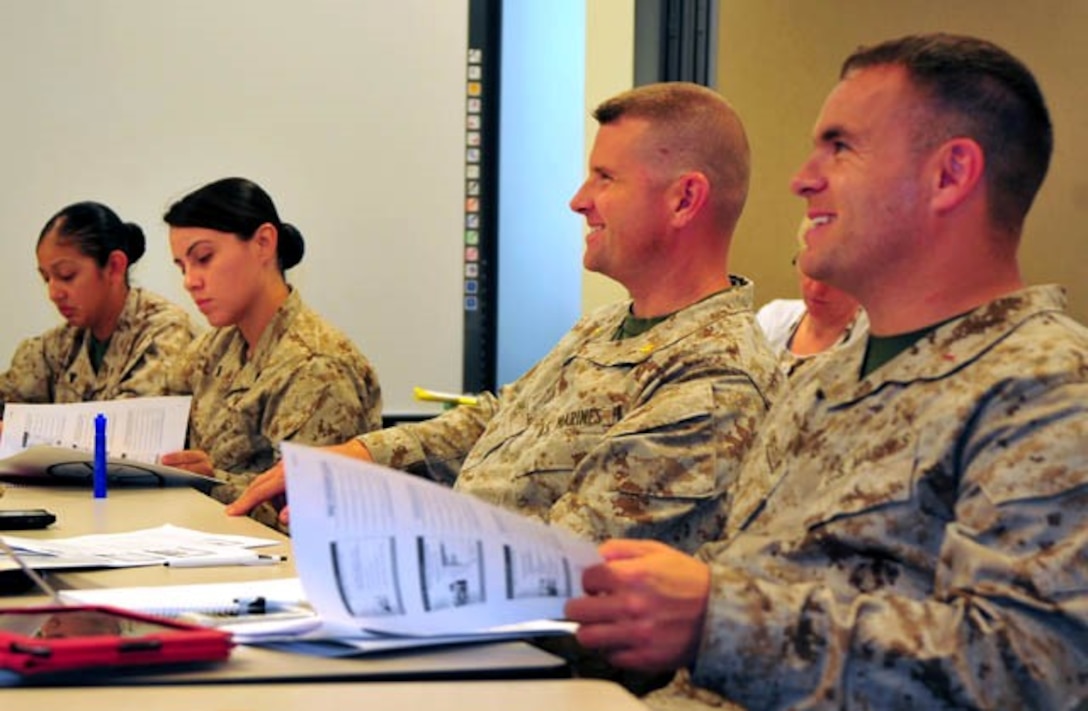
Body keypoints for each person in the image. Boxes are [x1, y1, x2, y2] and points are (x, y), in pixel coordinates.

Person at [564, 33, 1088, 709]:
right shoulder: (820, 383)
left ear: (951, 175)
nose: (802, 178)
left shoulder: (1045, 387)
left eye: (840, 147)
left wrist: (715, 616)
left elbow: (1031, 668)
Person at [229, 82, 782, 556]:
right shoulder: (605, 326)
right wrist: (358, 458)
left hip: (536, 660)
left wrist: (371, 527)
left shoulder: (715, 377)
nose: (578, 200)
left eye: (606, 178)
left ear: (685, 200)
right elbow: (498, 419)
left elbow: (564, 558)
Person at [160, 177, 382, 530]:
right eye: (182, 267)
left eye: (204, 258)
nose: (190, 280)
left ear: (263, 243)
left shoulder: (317, 365)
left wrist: (207, 483)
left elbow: (304, 516)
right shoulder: (212, 349)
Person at [0, 201, 196, 417]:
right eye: (46, 278)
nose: (54, 294)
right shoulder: (57, 345)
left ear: (114, 267)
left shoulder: (166, 333)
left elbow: (132, 430)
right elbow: (10, 396)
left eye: (67, 275)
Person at [756, 237, 867, 377]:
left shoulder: (869, 345)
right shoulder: (773, 318)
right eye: (809, 269)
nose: (816, 289)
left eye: (832, 277)